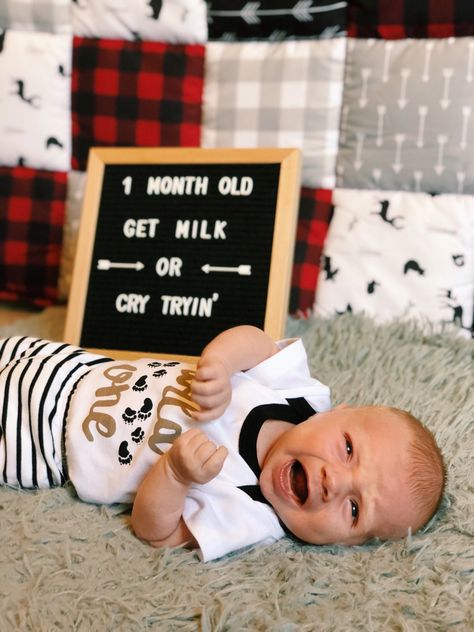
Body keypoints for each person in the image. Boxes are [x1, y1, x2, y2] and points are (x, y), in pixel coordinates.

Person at [0, 326, 445, 561]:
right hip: (76, 368)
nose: (334, 482)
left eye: (353, 510)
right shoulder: (300, 395)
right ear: (337, 410)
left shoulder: (250, 518)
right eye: (348, 449)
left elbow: (157, 534)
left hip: (44, 447)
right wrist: (222, 361)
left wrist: (174, 476)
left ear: (346, 546)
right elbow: (261, 343)